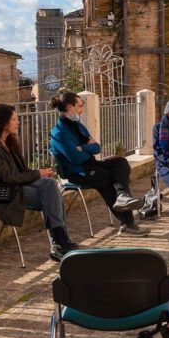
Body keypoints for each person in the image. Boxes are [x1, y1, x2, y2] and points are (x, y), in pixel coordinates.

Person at [0, 103, 82, 261]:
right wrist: (37, 174)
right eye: (14, 119)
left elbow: (21, 171)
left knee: (50, 184)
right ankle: (59, 241)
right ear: (2, 123)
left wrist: (40, 174)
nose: (17, 122)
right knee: (52, 196)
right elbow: (8, 177)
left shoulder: (10, 143)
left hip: (19, 186)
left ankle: (59, 242)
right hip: (7, 192)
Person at [48, 91, 149, 236]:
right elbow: (76, 158)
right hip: (77, 172)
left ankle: (122, 196)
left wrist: (82, 148)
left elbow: (97, 148)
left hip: (90, 165)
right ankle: (127, 224)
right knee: (107, 178)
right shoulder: (58, 133)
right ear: (70, 107)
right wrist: (86, 149)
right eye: (79, 106)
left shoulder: (78, 126)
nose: (81, 110)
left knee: (120, 162)